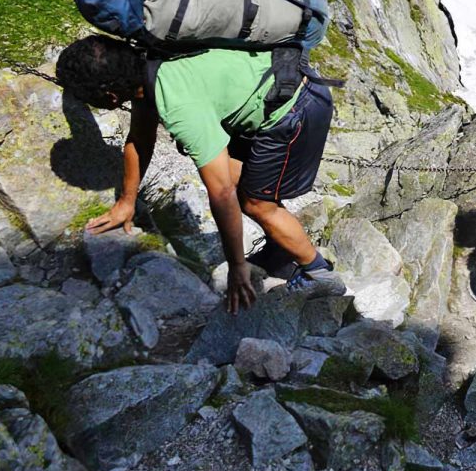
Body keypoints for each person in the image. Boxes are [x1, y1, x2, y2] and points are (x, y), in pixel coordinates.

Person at [56, 35, 344, 313]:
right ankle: (279, 252)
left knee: (255, 203)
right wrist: (126, 202)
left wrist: (236, 267)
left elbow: (221, 193)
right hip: (275, 83)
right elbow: (139, 140)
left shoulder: (178, 105)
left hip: (297, 105)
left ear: (112, 97)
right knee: (248, 187)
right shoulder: (147, 64)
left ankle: (319, 273)